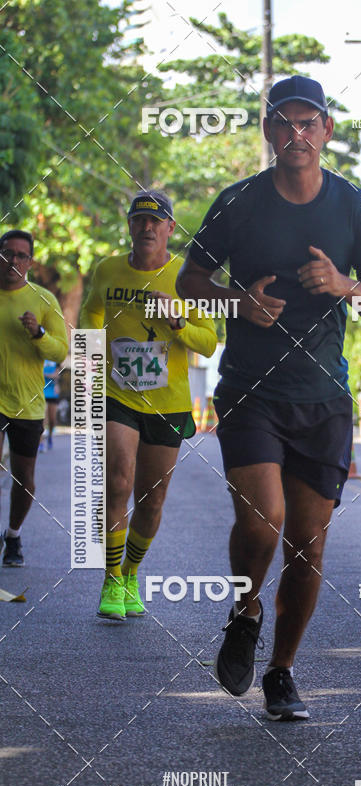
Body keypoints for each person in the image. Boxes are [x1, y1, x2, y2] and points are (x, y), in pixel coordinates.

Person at [176, 75, 361, 720]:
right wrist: (236, 302)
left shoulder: (353, 208)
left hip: (323, 398)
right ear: (269, 130)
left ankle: (281, 671)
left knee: (308, 545)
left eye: (308, 122)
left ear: (326, 130)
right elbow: (190, 281)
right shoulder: (238, 202)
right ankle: (245, 612)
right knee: (261, 520)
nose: (297, 133)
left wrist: (344, 285)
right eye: (284, 122)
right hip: (251, 390)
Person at [79, 191, 217, 621]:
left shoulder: (187, 278)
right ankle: (110, 579)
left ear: (170, 228)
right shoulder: (107, 270)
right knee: (118, 480)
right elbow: (91, 313)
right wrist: (94, 354)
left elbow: (209, 342)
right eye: (139, 220)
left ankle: (131, 573)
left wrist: (177, 321)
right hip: (117, 395)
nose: (147, 228)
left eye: (156, 221)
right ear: (129, 226)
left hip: (168, 403)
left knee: (151, 500)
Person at [0, 229, 69, 566]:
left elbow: (61, 350)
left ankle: (13, 535)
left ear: (30, 261)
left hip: (27, 402)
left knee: (24, 478)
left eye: (21, 255)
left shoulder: (43, 300)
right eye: (7, 253)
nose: (13, 260)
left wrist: (38, 333)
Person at [39, 360, 61, 451]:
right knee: (43, 419)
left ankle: (50, 436)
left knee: (52, 420)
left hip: (52, 392)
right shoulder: (41, 357)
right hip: (42, 391)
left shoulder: (56, 359)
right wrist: (50, 375)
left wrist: (44, 375)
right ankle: (41, 442)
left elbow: (57, 375)